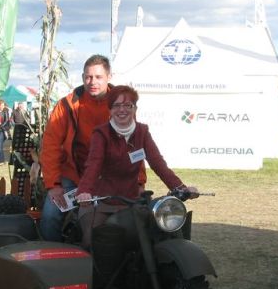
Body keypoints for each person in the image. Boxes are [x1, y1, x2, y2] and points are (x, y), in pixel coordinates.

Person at [75, 85, 198, 248]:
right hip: (103, 201)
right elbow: (93, 164)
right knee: (93, 239)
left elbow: (158, 163)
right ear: (110, 110)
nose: (122, 110)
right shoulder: (101, 133)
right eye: (117, 105)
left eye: (128, 105)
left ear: (135, 108)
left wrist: (181, 188)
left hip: (132, 201)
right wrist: (84, 191)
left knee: (153, 234)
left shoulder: (142, 132)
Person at [39, 54, 145, 242]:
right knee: (50, 215)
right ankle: (53, 263)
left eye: (98, 77)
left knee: (132, 218)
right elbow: (50, 146)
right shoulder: (67, 105)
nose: (92, 82)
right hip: (73, 175)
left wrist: (139, 182)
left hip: (109, 178)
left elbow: (134, 147)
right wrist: (54, 185)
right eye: (88, 77)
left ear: (109, 77)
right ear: (82, 78)